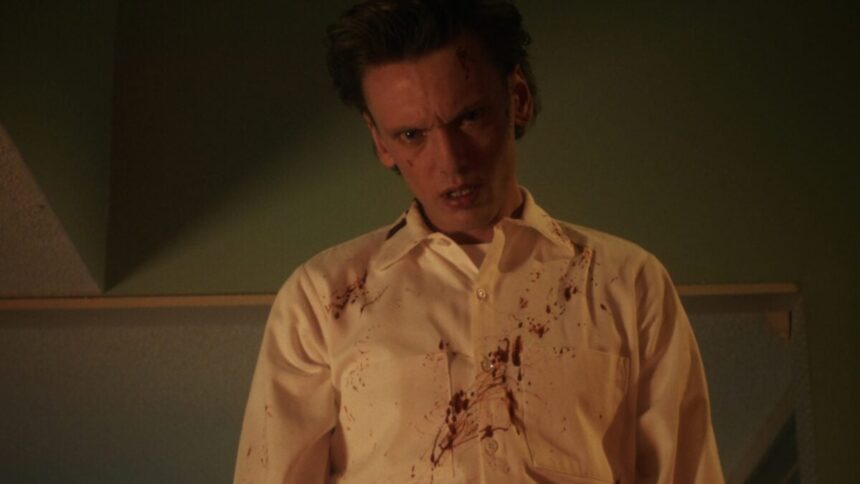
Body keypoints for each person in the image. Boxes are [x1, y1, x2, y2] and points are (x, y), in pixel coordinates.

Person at [235, 1, 724, 482]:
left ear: (518, 98)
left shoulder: (626, 283)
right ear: (380, 141)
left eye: (469, 117)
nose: (450, 161)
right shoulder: (323, 299)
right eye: (412, 134)